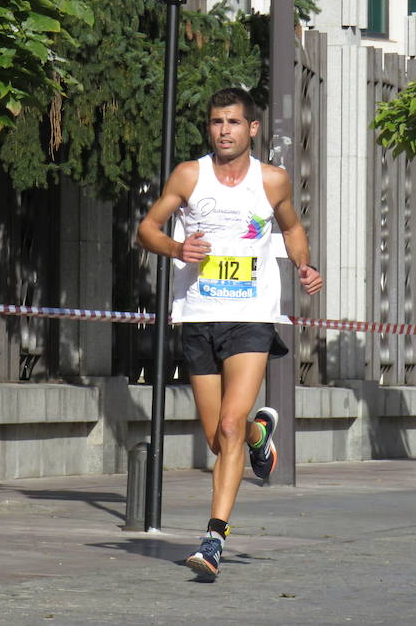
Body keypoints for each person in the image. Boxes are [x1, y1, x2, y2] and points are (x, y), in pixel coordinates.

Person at [136, 87, 323, 579]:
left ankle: (213, 538)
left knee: (229, 427)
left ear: (252, 129)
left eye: (233, 123)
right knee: (220, 440)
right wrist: (178, 250)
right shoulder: (189, 176)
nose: (224, 130)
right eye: (217, 122)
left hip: (252, 315)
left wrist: (304, 266)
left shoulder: (272, 180)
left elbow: (292, 228)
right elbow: (147, 229)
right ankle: (262, 433)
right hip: (198, 315)